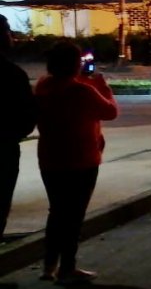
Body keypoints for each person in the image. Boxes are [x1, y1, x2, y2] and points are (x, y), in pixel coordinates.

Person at [34, 41, 118, 284]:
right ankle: (67, 269)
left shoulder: (43, 85)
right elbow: (110, 111)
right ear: (74, 64)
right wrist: (101, 85)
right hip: (81, 160)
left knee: (57, 212)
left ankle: (49, 266)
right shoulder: (83, 90)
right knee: (73, 217)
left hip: (50, 158)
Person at [0, 14, 37, 242]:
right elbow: (26, 117)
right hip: (3, 150)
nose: (11, 36)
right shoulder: (11, 74)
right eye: (7, 31)